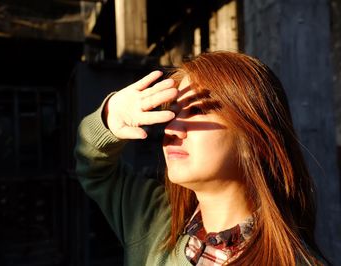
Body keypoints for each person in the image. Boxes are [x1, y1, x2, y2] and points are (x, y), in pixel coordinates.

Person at [75, 51, 328, 265]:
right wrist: (110, 116)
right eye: (171, 114)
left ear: (256, 141)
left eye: (196, 110)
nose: (173, 128)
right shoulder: (153, 221)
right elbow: (94, 168)